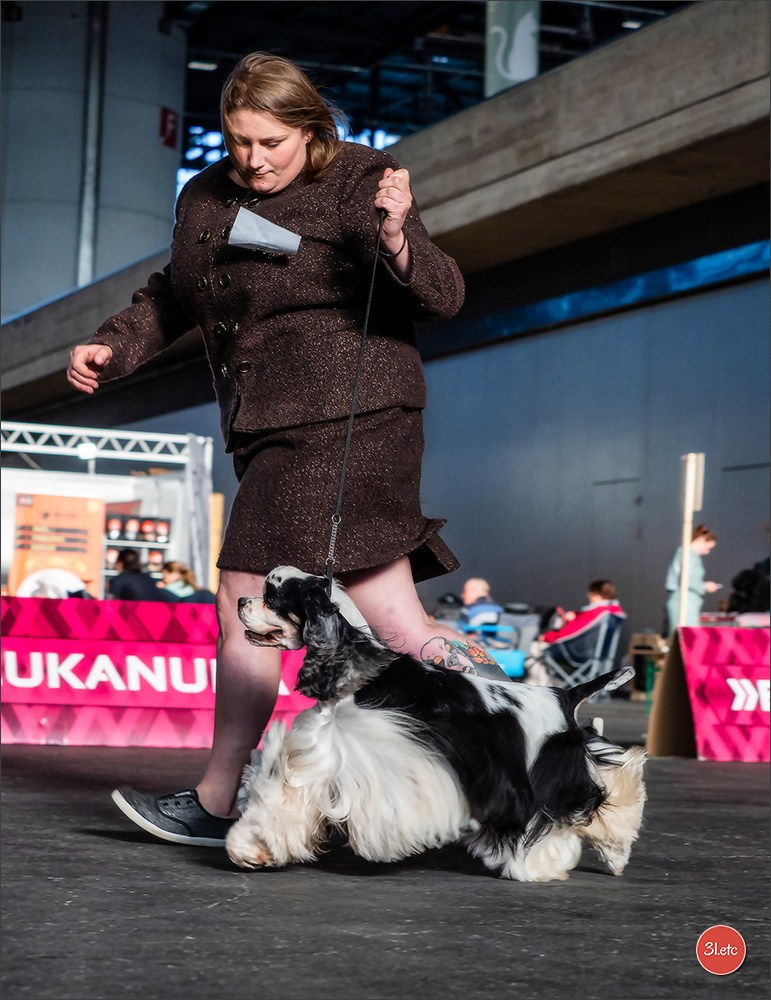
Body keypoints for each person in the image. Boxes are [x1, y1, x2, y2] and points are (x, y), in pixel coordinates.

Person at [66, 52, 506, 847]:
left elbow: (439, 294)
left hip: (349, 419)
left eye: (271, 141)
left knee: (247, 599)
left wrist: (400, 237)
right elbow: (175, 290)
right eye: (238, 140)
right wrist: (112, 345)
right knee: (399, 623)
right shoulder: (204, 195)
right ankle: (523, 738)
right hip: (271, 424)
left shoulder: (357, 179)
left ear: (309, 130)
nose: (254, 158)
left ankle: (217, 799)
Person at [525, 580, 624, 685]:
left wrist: (545, 637)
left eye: (591, 593)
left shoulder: (596, 612)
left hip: (576, 653)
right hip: (599, 655)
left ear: (599, 595)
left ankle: (539, 683)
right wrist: (574, 616)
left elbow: (570, 633)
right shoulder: (614, 612)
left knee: (536, 647)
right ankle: (549, 681)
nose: (588, 596)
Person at [664, 525, 721, 633]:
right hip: (684, 604)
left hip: (687, 603)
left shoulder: (689, 555)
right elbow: (685, 579)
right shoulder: (687, 554)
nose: (707, 552)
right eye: (708, 548)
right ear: (701, 540)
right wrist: (705, 586)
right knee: (686, 638)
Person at [108, 549, 178, 602]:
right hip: (156, 615)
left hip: (134, 617)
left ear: (120, 563)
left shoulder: (118, 581)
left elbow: (112, 605)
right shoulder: (147, 578)